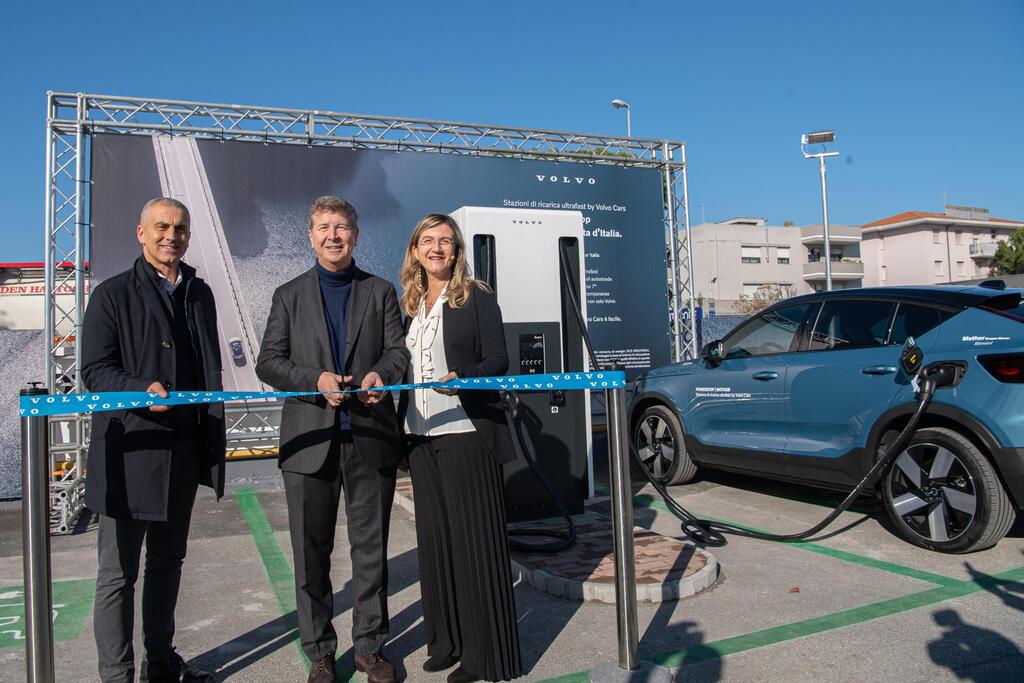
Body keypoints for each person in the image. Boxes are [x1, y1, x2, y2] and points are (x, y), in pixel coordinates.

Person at [255, 196, 409, 683]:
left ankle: (370, 648)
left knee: (370, 552)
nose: (333, 236)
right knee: (311, 553)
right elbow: (268, 361)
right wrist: (313, 378)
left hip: (369, 439)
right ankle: (320, 651)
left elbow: (398, 352)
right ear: (310, 235)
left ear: (356, 235)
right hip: (308, 442)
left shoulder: (380, 291)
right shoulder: (288, 295)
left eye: (341, 227)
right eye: (323, 227)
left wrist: (378, 375)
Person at [82, 197, 224, 683]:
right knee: (118, 576)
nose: (172, 235)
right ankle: (117, 676)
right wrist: (138, 390)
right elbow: (94, 371)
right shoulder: (111, 294)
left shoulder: (199, 293)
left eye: (180, 228)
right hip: (129, 455)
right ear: (140, 234)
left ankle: (161, 665)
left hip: (182, 455)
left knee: (168, 565)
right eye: (161, 227)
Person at [398, 213, 522, 683]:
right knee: (435, 543)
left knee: (474, 547)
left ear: (457, 251)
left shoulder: (477, 296)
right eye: (427, 241)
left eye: (445, 241)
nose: (436, 249)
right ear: (414, 250)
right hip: (419, 434)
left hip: (467, 433)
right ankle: (445, 641)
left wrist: (464, 378)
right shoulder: (408, 302)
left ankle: (483, 654)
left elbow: (499, 358)